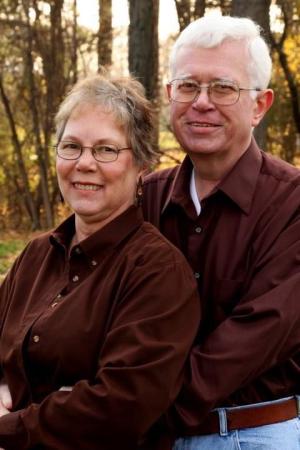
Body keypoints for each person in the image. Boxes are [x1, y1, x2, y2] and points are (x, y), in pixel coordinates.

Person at [0, 74, 200, 449]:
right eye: (71, 146)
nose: (84, 164)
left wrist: (13, 427)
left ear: (141, 165)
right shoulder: (36, 256)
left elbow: (121, 407)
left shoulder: (157, 272)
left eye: (106, 150)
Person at [142, 14, 300, 450]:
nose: (202, 102)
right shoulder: (144, 199)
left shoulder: (293, 205)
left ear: (260, 105)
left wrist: (121, 409)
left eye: (224, 88)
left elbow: (250, 341)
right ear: (171, 95)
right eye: (188, 86)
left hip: (253, 435)